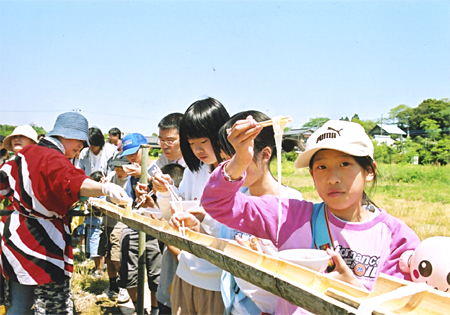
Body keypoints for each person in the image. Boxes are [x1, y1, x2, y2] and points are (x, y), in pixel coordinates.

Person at [199, 119, 421, 315]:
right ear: (312, 174)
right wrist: (240, 160)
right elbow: (217, 203)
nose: (332, 178)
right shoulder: (290, 217)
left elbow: (401, 307)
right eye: (322, 167)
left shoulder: (396, 240)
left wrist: (355, 293)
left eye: (345, 164)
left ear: (369, 171)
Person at [0, 111, 131, 315]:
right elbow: (74, 181)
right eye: (79, 142)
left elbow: (3, 183)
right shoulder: (54, 158)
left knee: (19, 305)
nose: (80, 147)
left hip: (15, 236)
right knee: (52, 308)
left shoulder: (23, 155)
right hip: (42, 242)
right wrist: (104, 188)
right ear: (65, 135)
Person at [218, 111, 304, 315]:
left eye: (239, 158)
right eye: (224, 160)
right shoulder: (236, 199)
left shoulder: (293, 204)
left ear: (265, 155)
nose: (230, 168)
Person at [152, 97, 230, 315]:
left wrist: (204, 217)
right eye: (191, 143)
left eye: (203, 141)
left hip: (217, 279)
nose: (197, 150)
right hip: (186, 272)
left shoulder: (237, 176)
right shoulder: (194, 172)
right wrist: (164, 192)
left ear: (220, 134)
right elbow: (171, 215)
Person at [117, 133, 162, 315]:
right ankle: (138, 308)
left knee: (156, 273)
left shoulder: (158, 170)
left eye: (134, 154)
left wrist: (146, 177)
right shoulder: (130, 176)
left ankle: (156, 309)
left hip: (155, 229)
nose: (130, 158)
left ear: (146, 149)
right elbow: (130, 201)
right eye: (127, 155)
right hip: (134, 226)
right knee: (129, 271)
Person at [78, 127, 118, 274]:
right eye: (89, 145)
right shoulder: (84, 154)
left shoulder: (111, 151)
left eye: (93, 145)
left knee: (102, 229)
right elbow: (80, 171)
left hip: (106, 192)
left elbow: (114, 171)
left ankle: (101, 264)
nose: (91, 148)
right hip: (90, 193)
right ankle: (96, 263)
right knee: (92, 228)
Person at [97, 155, 131, 299]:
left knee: (118, 258)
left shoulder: (131, 181)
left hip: (121, 224)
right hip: (107, 221)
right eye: (116, 168)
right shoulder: (111, 178)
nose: (118, 171)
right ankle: (112, 286)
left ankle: (125, 286)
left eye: (121, 168)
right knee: (109, 256)